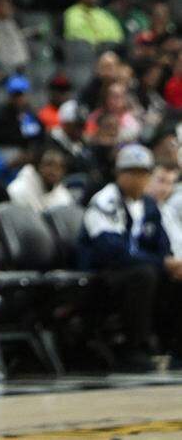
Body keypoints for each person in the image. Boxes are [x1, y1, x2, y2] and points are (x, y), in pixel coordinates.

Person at [77, 142, 182, 370]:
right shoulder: (105, 201)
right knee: (144, 275)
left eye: (143, 173)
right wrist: (161, 263)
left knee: (176, 275)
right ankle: (133, 348)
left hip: (138, 269)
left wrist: (170, 264)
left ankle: (175, 349)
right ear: (119, 174)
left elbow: (161, 245)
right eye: (132, 173)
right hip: (101, 274)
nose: (138, 179)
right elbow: (111, 251)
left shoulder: (149, 206)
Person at [7, 146, 77, 214]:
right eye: (49, 164)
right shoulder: (19, 189)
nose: (54, 171)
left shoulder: (64, 196)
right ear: (38, 166)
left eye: (60, 167)